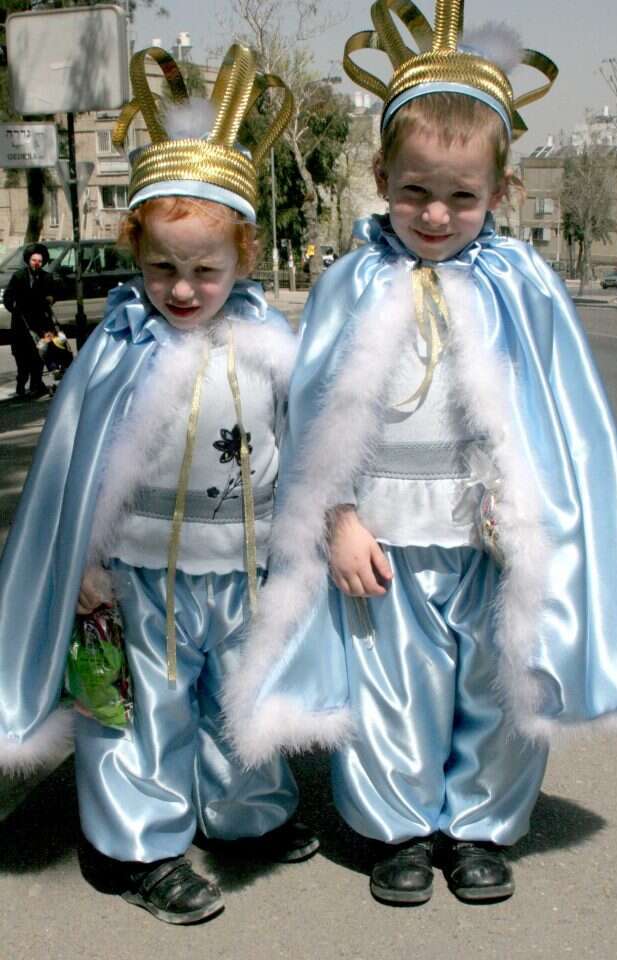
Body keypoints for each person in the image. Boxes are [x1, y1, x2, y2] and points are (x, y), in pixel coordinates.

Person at [223, 0, 617, 906]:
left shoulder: (522, 282)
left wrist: (537, 517)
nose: (436, 214)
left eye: (462, 196)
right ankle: (398, 829)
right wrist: (333, 518)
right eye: (414, 191)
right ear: (380, 175)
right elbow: (312, 413)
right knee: (390, 686)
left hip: (490, 529)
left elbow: (564, 414)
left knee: (494, 680)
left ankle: (479, 826)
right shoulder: (347, 282)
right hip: (382, 530)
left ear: (501, 191)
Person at [0, 44, 317, 926]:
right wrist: (85, 564)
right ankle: (138, 846)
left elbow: (308, 445)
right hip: (138, 574)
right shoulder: (118, 352)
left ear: (244, 257)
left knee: (239, 698)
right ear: (134, 251)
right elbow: (76, 465)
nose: (182, 288)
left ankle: (244, 814)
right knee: (140, 710)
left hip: (243, 568)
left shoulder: (269, 345)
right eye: (161, 267)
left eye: (205, 270)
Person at [2, 241, 55, 397]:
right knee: (21, 355)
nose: (36, 264)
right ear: (28, 260)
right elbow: (8, 297)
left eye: (39, 261)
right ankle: (21, 384)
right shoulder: (18, 276)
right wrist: (14, 308)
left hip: (40, 323)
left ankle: (36, 384)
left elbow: (53, 294)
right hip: (22, 323)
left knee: (39, 354)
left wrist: (51, 298)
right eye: (34, 260)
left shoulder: (47, 277)